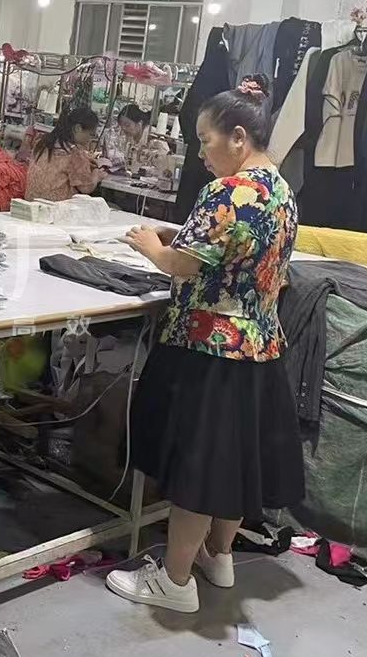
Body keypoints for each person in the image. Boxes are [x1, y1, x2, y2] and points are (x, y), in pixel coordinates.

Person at [106, 76, 302, 614]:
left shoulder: (226, 191)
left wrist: (152, 246)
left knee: (198, 469)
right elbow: (239, 251)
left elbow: (181, 266)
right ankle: (219, 557)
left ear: (238, 137)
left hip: (211, 347)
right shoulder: (281, 190)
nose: (200, 152)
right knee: (232, 464)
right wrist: (183, 237)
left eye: (204, 140)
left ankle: (174, 582)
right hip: (260, 347)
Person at [24, 106, 102, 201]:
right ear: (78, 128)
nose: (90, 140)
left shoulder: (41, 143)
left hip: (30, 203)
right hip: (54, 207)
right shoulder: (74, 153)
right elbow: (86, 188)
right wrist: (97, 173)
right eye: (91, 134)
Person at [102, 103, 172, 176]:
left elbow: (165, 165)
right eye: (121, 125)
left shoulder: (154, 137)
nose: (123, 128)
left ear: (140, 123)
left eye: (127, 125)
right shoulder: (130, 137)